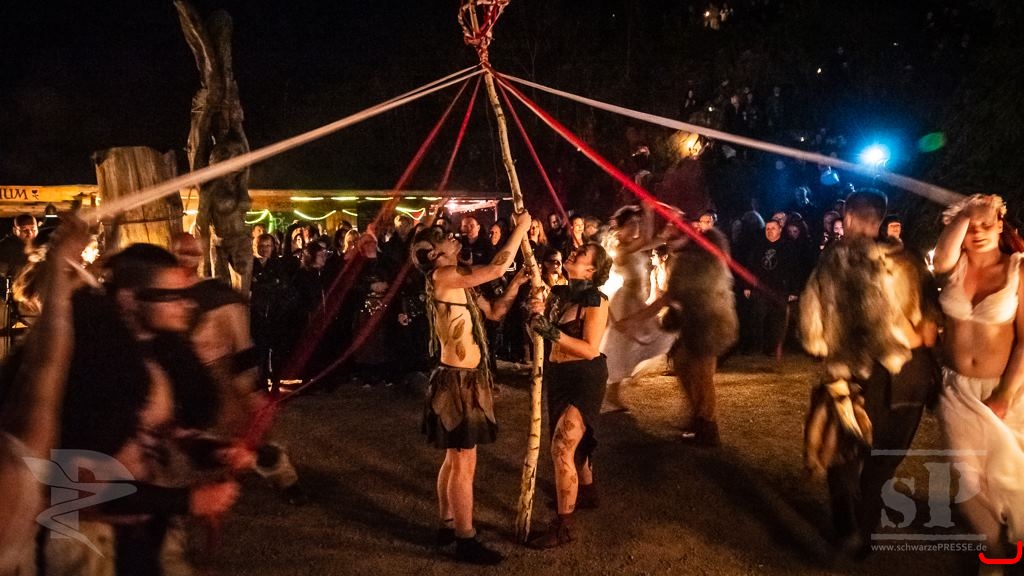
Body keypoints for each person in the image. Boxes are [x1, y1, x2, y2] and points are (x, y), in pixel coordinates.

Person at [800, 189, 941, 558]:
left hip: (853, 379)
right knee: (883, 462)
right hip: (908, 380)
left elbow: (812, 336)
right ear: (880, 220)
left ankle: (847, 524)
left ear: (847, 218)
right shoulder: (910, 261)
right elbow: (928, 333)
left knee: (843, 453)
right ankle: (866, 530)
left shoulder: (832, 261)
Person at [410, 210, 531, 565]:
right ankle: (466, 539)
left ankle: (448, 525)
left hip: (464, 378)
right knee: (464, 462)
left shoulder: (457, 279)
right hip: (457, 381)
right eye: (443, 239)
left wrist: (516, 284)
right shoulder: (443, 276)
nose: (452, 238)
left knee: (454, 459)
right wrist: (520, 229)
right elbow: (495, 267)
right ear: (435, 255)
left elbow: (493, 312)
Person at [932, 193, 1024, 570]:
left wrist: (1004, 394)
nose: (980, 232)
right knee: (967, 478)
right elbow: (940, 259)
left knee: (1009, 476)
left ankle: (1011, 543)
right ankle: (994, 557)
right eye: (972, 226)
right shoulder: (953, 266)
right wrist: (966, 213)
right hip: (956, 390)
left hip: (1007, 389)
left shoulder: (1018, 270)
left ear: (1001, 226)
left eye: (988, 224)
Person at [526, 242, 612, 548]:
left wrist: (550, 331)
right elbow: (539, 334)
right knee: (574, 445)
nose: (574, 252)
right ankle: (586, 492)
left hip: (584, 378)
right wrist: (536, 316)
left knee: (562, 447)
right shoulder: (559, 294)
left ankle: (562, 527)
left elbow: (589, 349)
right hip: (559, 376)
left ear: (591, 270)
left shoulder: (596, 301)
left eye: (582, 253)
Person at [659, 227, 739, 446]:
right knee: (687, 367)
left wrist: (644, 315)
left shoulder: (698, 261)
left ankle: (707, 429)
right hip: (703, 324)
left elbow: (677, 292)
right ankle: (699, 418)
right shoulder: (698, 259)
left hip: (708, 326)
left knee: (701, 376)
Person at [600, 204, 673, 412]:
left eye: (638, 223)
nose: (636, 227)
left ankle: (616, 390)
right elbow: (646, 239)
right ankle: (612, 392)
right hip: (625, 301)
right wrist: (648, 211)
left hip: (636, 298)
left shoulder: (633, 245)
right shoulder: (620, 248)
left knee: (651, 336)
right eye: (632, 223)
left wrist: (670, 227)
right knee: (620, 347)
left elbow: (656, 240)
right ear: (620, 228)